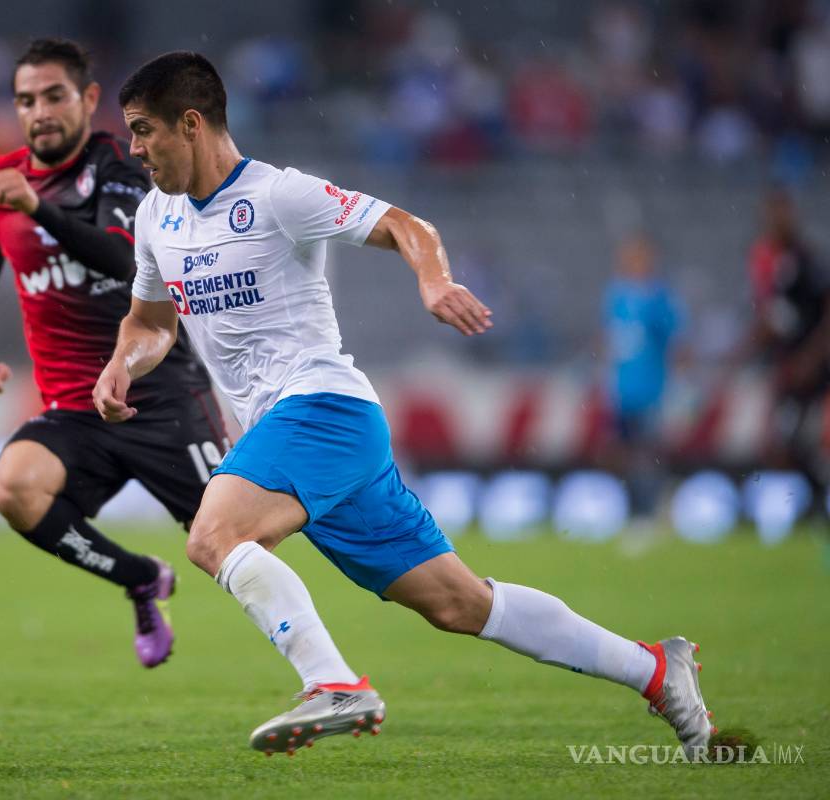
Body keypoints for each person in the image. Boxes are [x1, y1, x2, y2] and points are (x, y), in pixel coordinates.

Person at [94, 51, 716, 757]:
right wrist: (122, 363)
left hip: (322, 409)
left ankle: (333, 684)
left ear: (192, 123)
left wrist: (431, 281)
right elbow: (150, 323)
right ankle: (657, 670)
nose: (136, 149)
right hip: (302, 439)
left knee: (215, 537)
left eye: (144, 131)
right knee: (459, 603)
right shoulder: (155, 218)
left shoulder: (277, 195)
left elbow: (407, 226)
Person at [0, 39, 226, 668]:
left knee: (234, 546)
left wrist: (38, 208)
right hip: (75, 409)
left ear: (87, 99)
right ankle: (138, 577)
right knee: (14, 487)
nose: (40, 111)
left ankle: (324, 665)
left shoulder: (121, 166)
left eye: (54, 95)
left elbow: (123, 256)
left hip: (158, 392)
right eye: (26, 100)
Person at [743, 187, 830, 508]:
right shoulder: (768, 261)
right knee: (783, 442)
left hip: (811, 371)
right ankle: (806, 508)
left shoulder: (805, 259)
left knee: (804, 440)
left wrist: (812, 356)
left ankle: (817, 505)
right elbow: (770, 318)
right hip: (786, 367)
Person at [601, 233, 685, 519]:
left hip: (651, 388)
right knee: (622, 453)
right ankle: (634, 508)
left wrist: (681, 385)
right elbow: (612, 340)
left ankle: (653, 509)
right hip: (622, 389)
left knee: (648, 453)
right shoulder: (616, 296)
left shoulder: (659, 298)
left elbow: (674, 342)